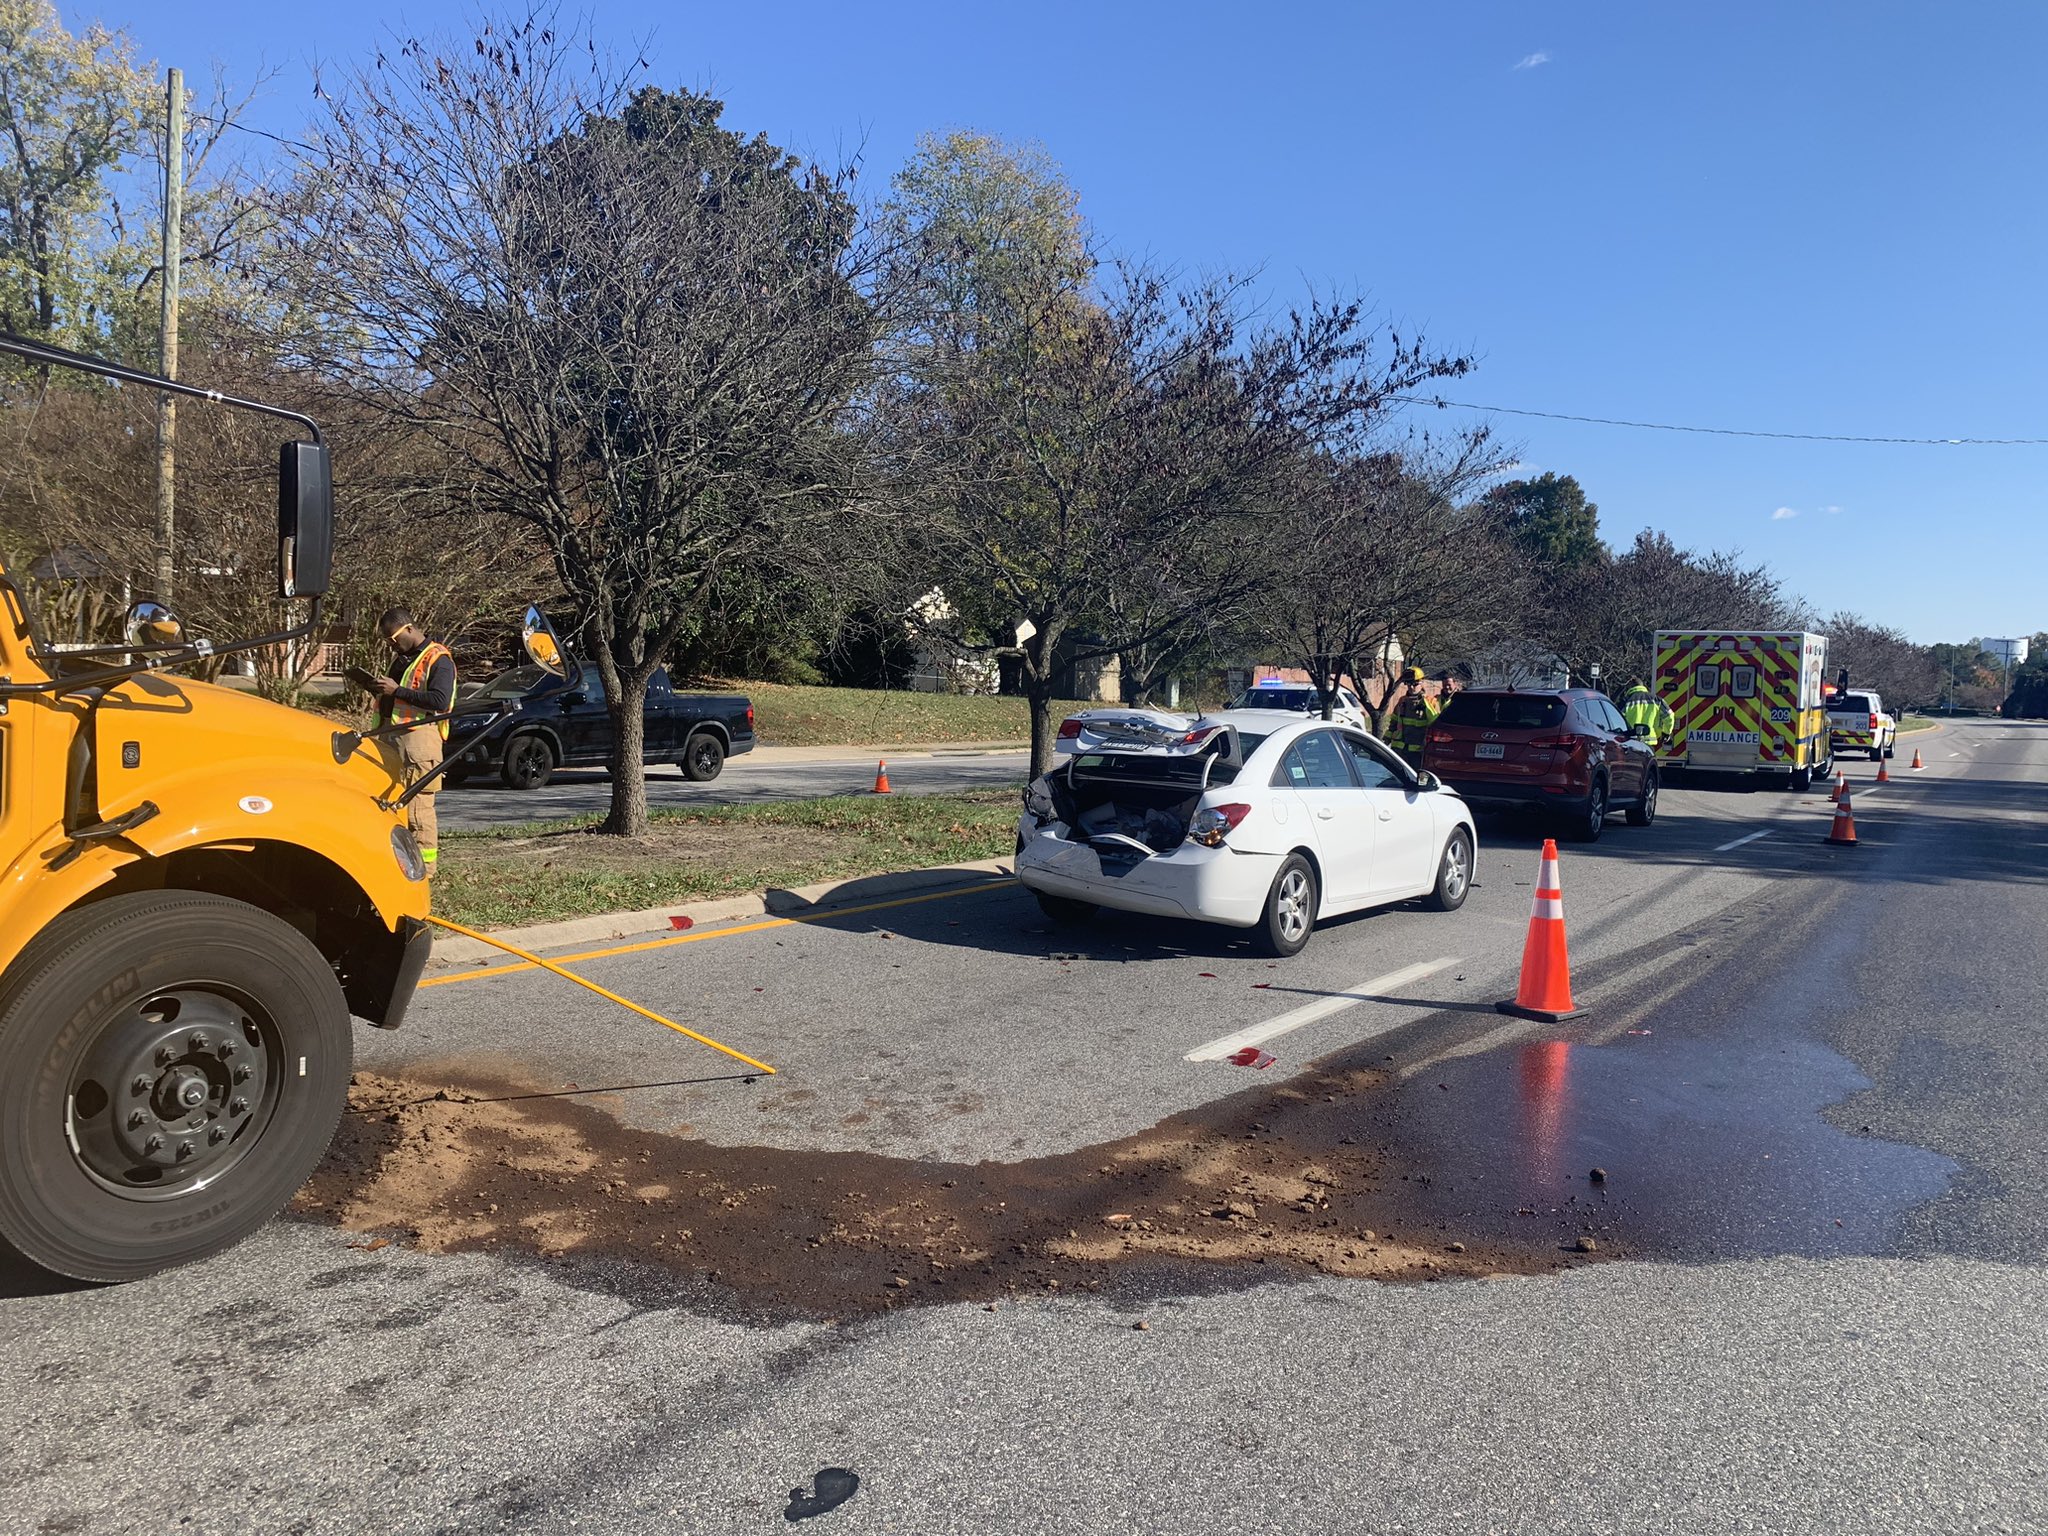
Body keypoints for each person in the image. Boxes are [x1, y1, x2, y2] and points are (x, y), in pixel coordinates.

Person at [369, 606, 455, 873]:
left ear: (408, 628)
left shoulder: (439, 659)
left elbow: (440, 701)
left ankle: (425, 870)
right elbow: (395, 695)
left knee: (419, 808)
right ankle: (399, 865)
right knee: (390, 804)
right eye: (387, 641)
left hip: (419, 741)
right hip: (391, 738)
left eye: (393, 639)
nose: (391, 645)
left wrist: (398, 691)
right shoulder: (404, 659)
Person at [1393, 666, 1441, 765]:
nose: (1411, 687)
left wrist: (1425, 703)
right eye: (1408, 684)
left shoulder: (1431, 702)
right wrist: (1385, 741)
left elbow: (1435, 723)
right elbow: (1393, 723)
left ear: (1421, 682)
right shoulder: (1402, 701)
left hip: (1419, 751)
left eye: (1415, 684)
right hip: (1400, 751)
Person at [1621, 680, 1675, 749]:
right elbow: (1669, 715)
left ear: (1630, 688)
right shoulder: (1656, 700)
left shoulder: (1626, 700)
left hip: (1631, 742)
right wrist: (1666, 732)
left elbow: (1617, 718)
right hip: (1649, 743)